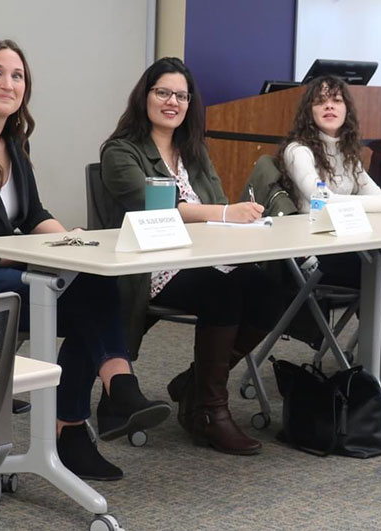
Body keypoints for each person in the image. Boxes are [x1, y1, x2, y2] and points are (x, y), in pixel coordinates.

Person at [0, 39, 171, 481]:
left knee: (92, 290)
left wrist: (76, 243)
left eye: (17, 76)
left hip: (8, 273)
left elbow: (33, 215)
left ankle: (71, 427)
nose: (7, 83)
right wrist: (43, 260)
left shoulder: (14, 146)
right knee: (87, 296)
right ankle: (109, 396)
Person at [100, 57, 281, 455]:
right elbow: (156, 208)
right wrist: (223, 214)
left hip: (202, 256)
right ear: (144, 97)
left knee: (273, 290)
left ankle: (195, 385)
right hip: (150, 264)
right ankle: (210, 412)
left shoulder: (193, 151)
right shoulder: (120, 151)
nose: (172, 102)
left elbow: (215, 202)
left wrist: (228, 216)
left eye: (181, 96)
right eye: (163, 92)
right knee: (223, 291)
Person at [275, 75, 381, 291]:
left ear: (346, 110)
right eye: (320, 101)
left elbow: (375, 194)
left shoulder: (346, 150)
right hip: (318, 251)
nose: (329, 106)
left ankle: (374, 320)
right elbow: (324, 202)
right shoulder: (298, 151)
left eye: (336, 100)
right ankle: (371, 319)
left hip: (351, 239)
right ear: (309, 111)